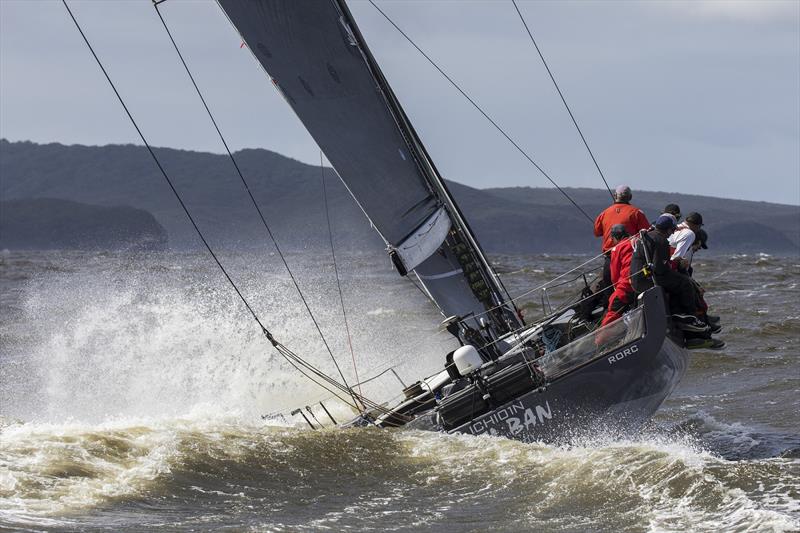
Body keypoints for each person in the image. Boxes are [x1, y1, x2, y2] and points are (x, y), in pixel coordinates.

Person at [629, 214, 708, 332]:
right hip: (647, 280)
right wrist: (677, 265)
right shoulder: (661, 240)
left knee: (676, 280)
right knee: (684, 282)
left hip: (636, 278)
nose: (672, 233)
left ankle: (677, 314)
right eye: (672, 230)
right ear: (668, 229)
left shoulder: (647, 236)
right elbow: (660, 269)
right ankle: (688, 317)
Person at [593, 185, 651, 305]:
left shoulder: (604, 213)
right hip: (628, 257)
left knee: (609, 289)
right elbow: (646, 233)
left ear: (615, 196)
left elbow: (597, 232)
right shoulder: (636, 213)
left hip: (609, 258)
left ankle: (609, 311)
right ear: (630, 197)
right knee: (628, 287)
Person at [600, 224, 636, 327]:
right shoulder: (637, 241)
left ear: (616, 237)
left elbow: (614, 275)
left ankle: (598, 341)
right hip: (641, 282)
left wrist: (616, 288)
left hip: (626, 285)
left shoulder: (617, 248)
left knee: (612, 310)